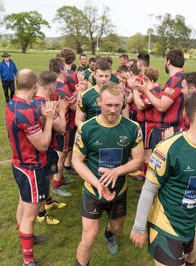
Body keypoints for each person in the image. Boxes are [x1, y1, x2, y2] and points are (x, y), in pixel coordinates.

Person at [130, 90, 196, 266]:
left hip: (188, 224)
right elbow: (149, 189)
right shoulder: (169, 148)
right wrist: (138, 227)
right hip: (165, 227)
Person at [73, 83, 144, 266]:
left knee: (118, 228)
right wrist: (97, 184)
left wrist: (117, 171)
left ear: (124, 104)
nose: (113, 110)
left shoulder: (133, 128)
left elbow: (138, 159)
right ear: (99, 102)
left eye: (117, 105)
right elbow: (76, 161)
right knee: (88, 238)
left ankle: (109, 233)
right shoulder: (86, 129)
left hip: (118, 191)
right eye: (108, 105)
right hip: (93, 190)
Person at [5, 68, 55, 266]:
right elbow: (43, 144)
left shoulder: (13, 104)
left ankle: (27, 237)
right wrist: (49, 120)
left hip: (19, 164)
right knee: (30, 215)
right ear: (35, 85)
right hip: (31, 168)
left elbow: (29, 128)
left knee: (22, 205)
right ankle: (28, 260)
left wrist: (42, 117)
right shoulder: (25, 112)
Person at [31, 71, 69, 225]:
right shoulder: (44, 104)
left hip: (41, 148)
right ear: (52, 85)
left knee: (46, 180)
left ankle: (48, 202)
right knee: (44, 181)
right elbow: (61, 127)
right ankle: (41, 214)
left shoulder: (35, 100)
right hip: (44, 150)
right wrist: (62, 111)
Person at [134, 48, 186, 151]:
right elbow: (162, 100)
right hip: (166, 127)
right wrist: (151, 89)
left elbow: (162, 107)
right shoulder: (178, 78)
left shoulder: (176, 80)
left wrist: (145, 91)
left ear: (168, 61)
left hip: (166, 129)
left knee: (159, 162)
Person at [49, 56, 78, 197]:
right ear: (61, 69)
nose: (69, 69)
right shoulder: (62, 86)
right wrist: (80, 92)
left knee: (59, 154)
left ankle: (59, 178)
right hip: (64, 126)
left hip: (54, 124)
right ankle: (56, 185)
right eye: (66, 67)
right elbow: (74, 107)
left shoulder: (51, 84)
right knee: (61, 156)